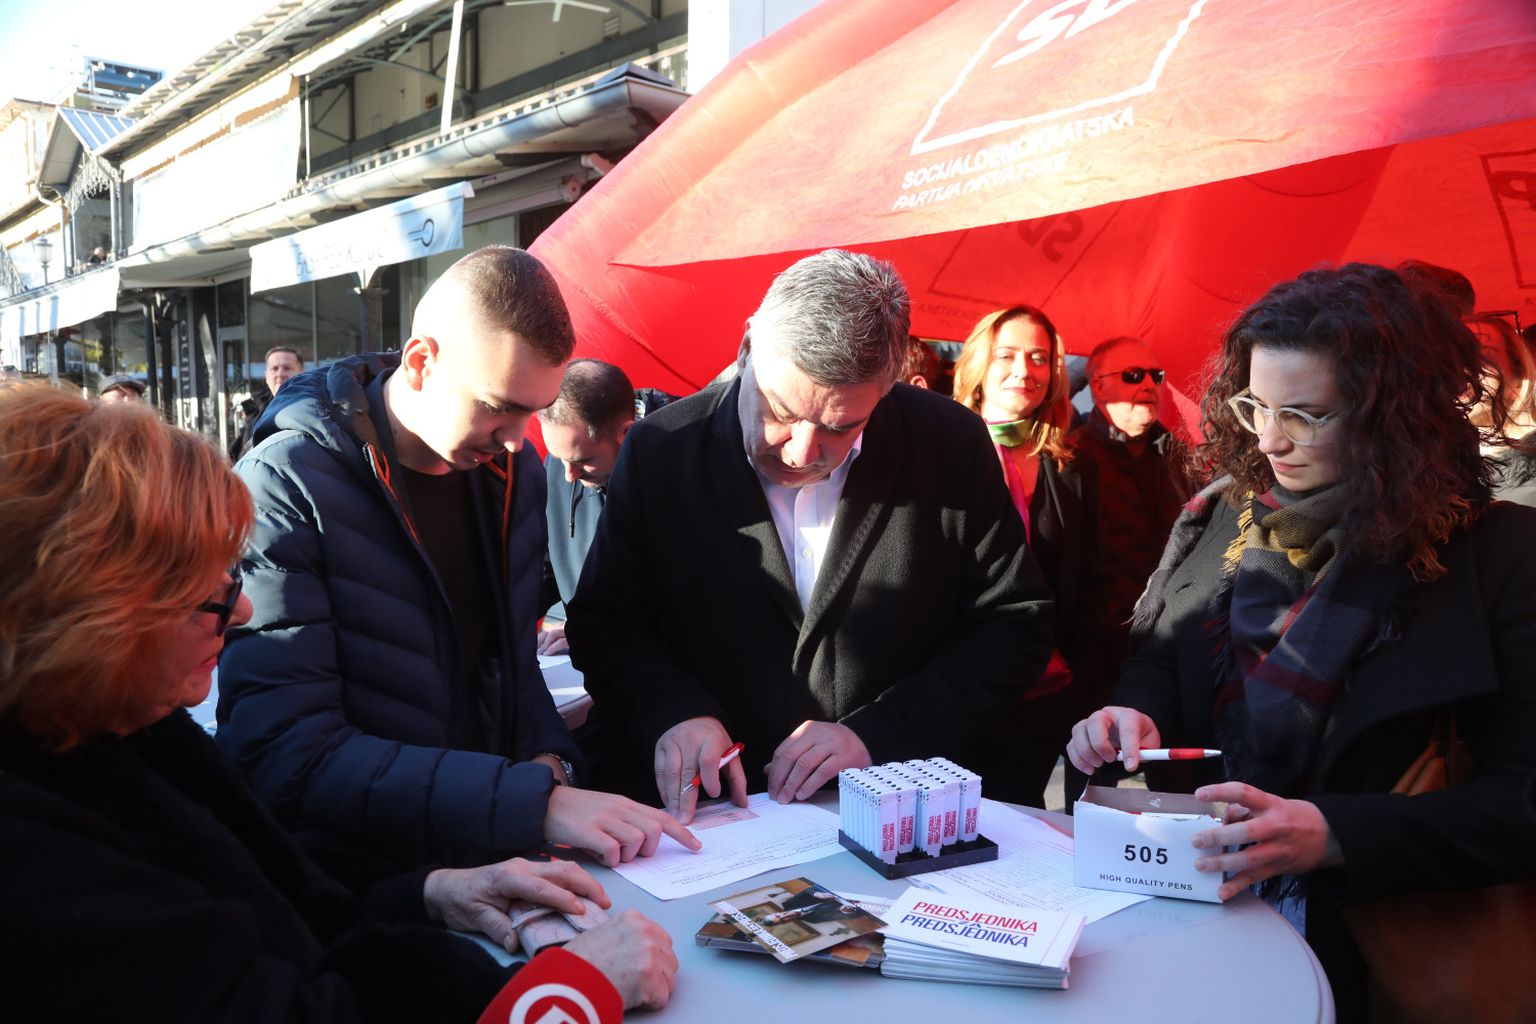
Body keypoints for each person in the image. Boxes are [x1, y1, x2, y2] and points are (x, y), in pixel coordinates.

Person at [0, 383, 678, 1021]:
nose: (241, 610)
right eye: (204, 596)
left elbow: (280, 901)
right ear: (89, 622)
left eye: (231, 576)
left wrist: (428, 893)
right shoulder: (36, 865)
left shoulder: (122, 729)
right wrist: (568, 992)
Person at [1066, 263, 1536, 1016]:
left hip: (1375, 955)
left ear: (1394, 414)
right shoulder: (1226, 512)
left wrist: (1333, 833)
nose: (1270, 439)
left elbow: (1521, 802)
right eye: (1255, 405)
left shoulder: (1501, 555)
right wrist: (1135, 715)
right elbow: (1161, 653)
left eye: (1306, 415)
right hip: (1196, 923)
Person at [217, 246, 697, 878]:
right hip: (357, 885)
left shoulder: (513, 473)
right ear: (421, 362)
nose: (518, 439)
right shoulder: (285, 484)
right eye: (499, 405)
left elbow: (510, 669)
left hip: (490, 859)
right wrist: (527, 801)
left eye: (533, 411)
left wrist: (551, 763)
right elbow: (286, 750)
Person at [566, 249, 1054, 820]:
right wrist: (675, 711)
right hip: (715, 818)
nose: (801, 450)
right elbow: (605, 624)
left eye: (841, 427)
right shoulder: (662, 450)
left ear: (887, 389)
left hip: (894, 809)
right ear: (747, 347)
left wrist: (879, 734)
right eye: (779, 410)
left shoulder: (949, 444)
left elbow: (1015, 624)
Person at [949, 305, 1104, 807]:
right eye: (1007, 355)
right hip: (955, 687)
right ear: (979, 365)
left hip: (1041, 693)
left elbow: (1086, 579)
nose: (1024, 370)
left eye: (1039, 358)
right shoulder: (939, 453)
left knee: (1022, 818)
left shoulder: (1069, 463)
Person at [1065, 336, 1192, 683]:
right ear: (1098, 388)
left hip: (1172, 646)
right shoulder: (1069, 461)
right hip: (1097, 661)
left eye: (1156, 375)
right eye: (1134, 375)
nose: (1149, 384)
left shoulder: (1181, 458)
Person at [538, 359, 640, 657]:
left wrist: (595, 634)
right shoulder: (559, 463)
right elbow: (546, 568)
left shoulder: (676, 474)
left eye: (582, 460)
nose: (568, 475)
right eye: (558, 457)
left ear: (627, 433)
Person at [231, 346, 306, 461]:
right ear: (266, 376)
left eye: (287, 368)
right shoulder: (254, 409)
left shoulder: (313, 408)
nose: (280, 374)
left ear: (301, 373)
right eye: (274, 369)